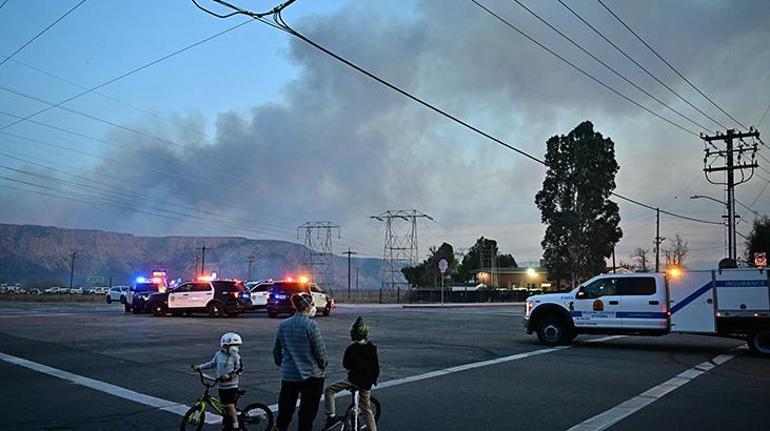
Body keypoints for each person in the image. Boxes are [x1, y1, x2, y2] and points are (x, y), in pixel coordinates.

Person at [273, 292, 328, 431]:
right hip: (311, 376)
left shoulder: (283, 325)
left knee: (285, 412)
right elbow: (320, 352)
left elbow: (276, 351)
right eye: (312, 304)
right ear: (307, 306)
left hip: (289, 375)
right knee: (307, 414)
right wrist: (323, 365)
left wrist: (284, 364)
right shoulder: (311, 326)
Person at [324, 316, 380, 431]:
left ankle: (331, 416)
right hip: (366, 383)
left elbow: (346, 365)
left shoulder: (351, 349)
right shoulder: (372, 348)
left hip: (353, 380)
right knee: (367, 411)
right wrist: (372, 380)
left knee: (330, 390)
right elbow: (376, 367)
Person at [192, 332, 244, 430]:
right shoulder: (219, 354)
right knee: (223, 406)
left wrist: (229, 376)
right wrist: (199, 367)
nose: (235, 348)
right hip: (221, 386)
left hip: (231, 386)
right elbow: (212, 364)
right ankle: (228, 423)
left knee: (229, 405)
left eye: (236, 345)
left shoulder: (236, 356)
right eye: (232, 346)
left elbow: (240, 369)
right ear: (224, 345)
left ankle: (236, 426)